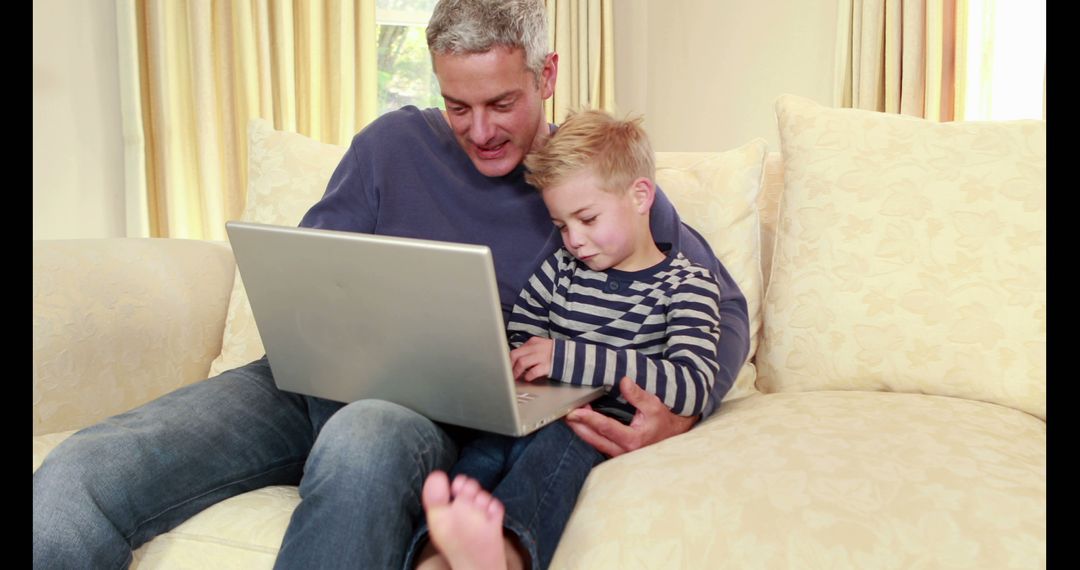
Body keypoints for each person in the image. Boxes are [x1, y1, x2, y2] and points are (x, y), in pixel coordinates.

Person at [31, 1, 750, 569]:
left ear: (547, 74)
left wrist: (679, 409)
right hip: (300, 381)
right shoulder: (390, 145)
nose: (479, 131)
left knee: (361, 438)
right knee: (78, 476)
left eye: (501, 103)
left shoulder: (587, 182)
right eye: (456, 105)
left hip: (428, 410)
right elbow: (308, 271)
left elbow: (722, 306)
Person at [418, 109, 728, 570]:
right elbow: (525, 335)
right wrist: (510, 362)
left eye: (586, 218)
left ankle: (505, 552)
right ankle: (436, 553)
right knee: (478, 457)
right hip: (533, 413)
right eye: (562, 226)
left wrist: (568, 358)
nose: (574, 240)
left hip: (590, 427)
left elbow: (691, 383)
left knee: (553, 453)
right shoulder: (562, 271)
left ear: (640, 196)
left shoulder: (687, 285)